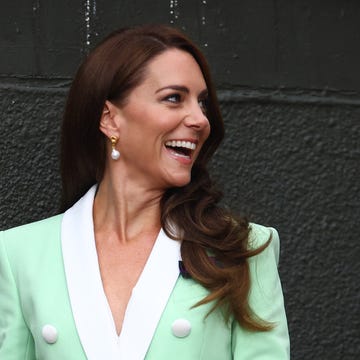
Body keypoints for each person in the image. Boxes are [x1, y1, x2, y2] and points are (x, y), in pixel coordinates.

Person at [0, 24, 290, 359]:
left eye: (202, 103)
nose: (199, 119)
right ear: (110, 119)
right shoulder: (17, 254)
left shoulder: (242, 249)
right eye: (173, 98)